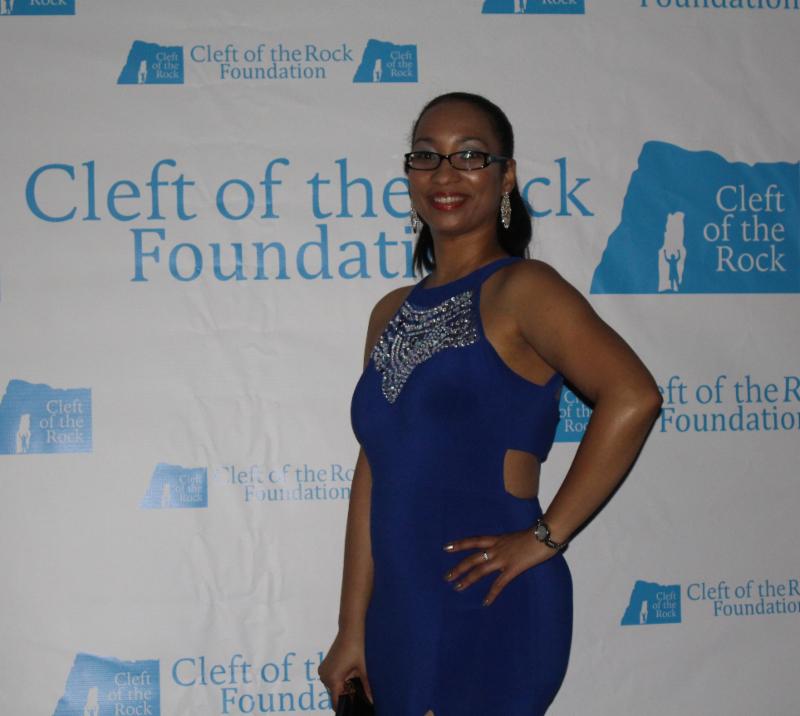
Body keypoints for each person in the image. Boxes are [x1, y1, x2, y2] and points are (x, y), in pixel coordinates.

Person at [319, 92, 663, 715]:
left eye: (470, 155)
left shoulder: (524, 288)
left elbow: (633, 395)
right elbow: (374, 466)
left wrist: (545, 537)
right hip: (398, 610)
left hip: (489, 596)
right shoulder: (389, 312)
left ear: (506, 177)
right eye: (427, 156)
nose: (445, 173)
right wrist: (351, 626)